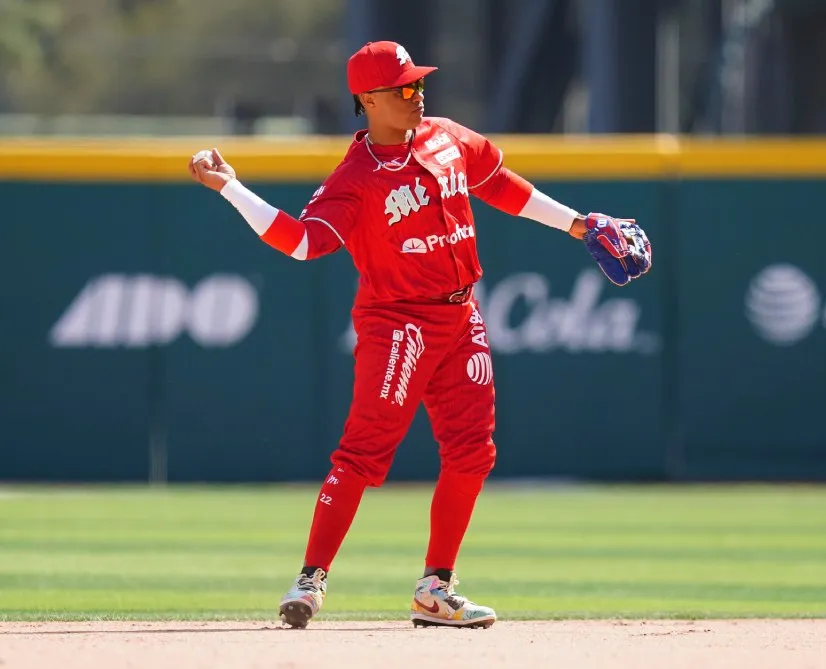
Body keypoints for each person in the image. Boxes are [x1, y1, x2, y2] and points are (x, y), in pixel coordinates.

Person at [187, 40, 652, 630]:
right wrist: (231, 187)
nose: (417, 93)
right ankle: (309, 580)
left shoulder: (446, 136)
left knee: (472, 452)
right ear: (369, 100)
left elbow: (502, 184)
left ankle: (435, 589)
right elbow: (303, 242)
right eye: (404, 88)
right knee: (362, 454)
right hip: (398, 323)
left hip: (462, 317)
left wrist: (578, 224)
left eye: (419, 83)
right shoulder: (355, 178)